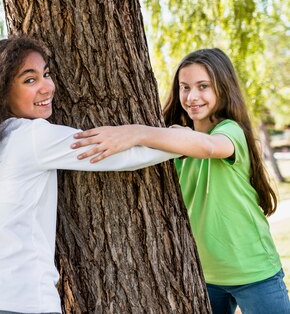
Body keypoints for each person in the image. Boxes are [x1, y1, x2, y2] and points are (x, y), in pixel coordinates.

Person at [0, 38, 178, 314]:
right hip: (23, 305)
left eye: (46, 74)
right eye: (29, 80)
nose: (47, 86)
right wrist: (181, 139)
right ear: (1, 91)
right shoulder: (32, 136)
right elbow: (126, 156)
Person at [71, 48, 290, 314]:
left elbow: (209, 147)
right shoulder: (174, 141)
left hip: (255, 272)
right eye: (184, 87)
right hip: (203, 277)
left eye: (203, 86)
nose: (192, 96)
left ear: (222, 87)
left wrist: (136, 133)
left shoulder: (230, 131)